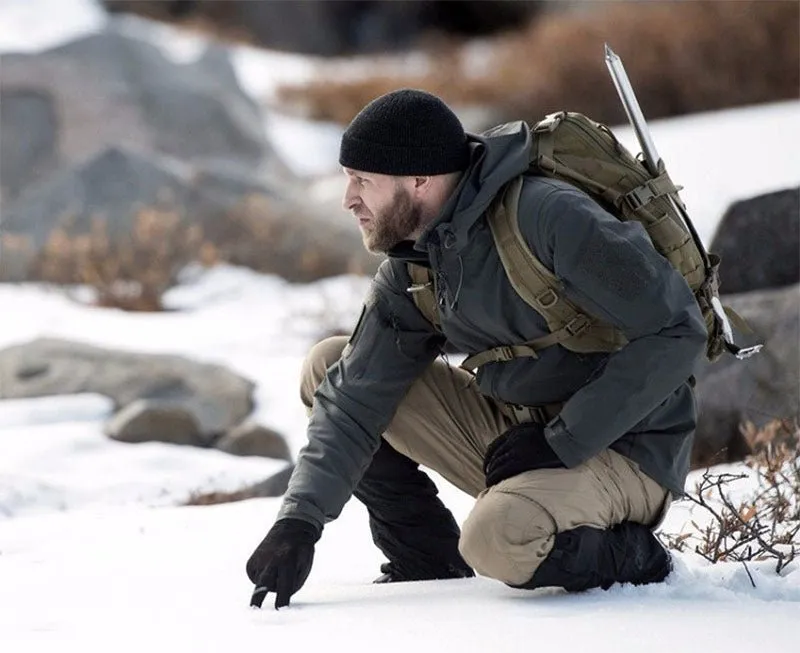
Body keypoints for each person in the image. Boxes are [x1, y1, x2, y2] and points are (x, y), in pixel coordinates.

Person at [246, 89, 706, 609]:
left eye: (362, 182)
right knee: (329, 367)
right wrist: (298, 522)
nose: (348, 199)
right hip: (518, 440)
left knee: (498, 540)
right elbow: (354, 398)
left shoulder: (551, 217)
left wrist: (565, 439)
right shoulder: (414, 262)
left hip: (624, 448)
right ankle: (425, 556)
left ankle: (641, 557)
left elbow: (676, 331)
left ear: (419, 179)